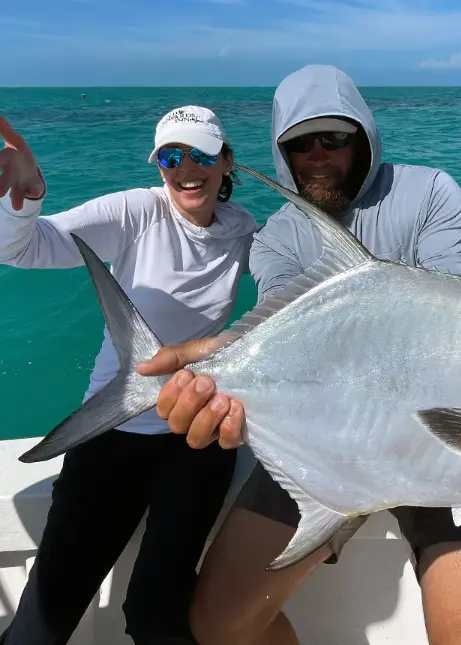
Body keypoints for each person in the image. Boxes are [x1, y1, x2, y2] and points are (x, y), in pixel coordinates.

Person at [138, 66, 461, 645]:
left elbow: (456, 321)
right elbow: (282, 338)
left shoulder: (428, 193)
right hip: (326, 447)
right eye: (301, 144)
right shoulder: (277, 236)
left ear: (364, 138)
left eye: (336, 139)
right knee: (219, 625)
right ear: (281, 152)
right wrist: (228, 369)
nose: (319, 156)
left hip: (446, 446)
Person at [0, 105, 257, 645]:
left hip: (197, 436)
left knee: (157, 614)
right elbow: (23, 248)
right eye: (171, 156)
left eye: (204, 154)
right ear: (158, 164)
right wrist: (25, 200)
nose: (187, 168)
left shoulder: (243, 230)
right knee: (43, 618)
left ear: (228, 161)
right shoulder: (136, 212)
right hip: (112, 430)